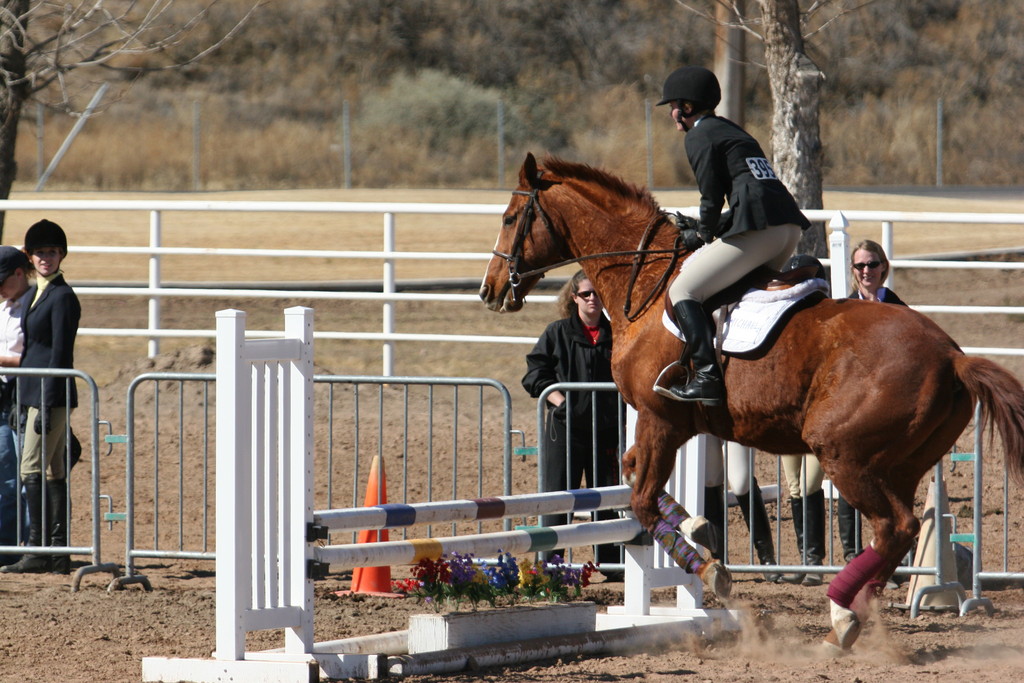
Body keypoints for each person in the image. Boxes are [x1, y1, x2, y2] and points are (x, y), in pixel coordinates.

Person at [653, 65, 810, 405]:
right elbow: (747, 194)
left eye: (673, 106)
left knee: (683, 289)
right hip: (787, 229)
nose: (671, 113)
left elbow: (710, 197)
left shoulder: (699, 135)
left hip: (762, 231)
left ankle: (707, 377)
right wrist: (712, 227)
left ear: (688, 107)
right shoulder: (732, 131)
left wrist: (703, 233)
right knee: (730, 297)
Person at [522, 270, 622, 579]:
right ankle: (549, 567)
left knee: (607, 499)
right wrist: (561, 403)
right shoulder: (557, 333)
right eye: (586, 293)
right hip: (565, 431)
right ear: (574, 297)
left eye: (597, 293)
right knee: (557, 498)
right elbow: (535, 375)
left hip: (606, 431)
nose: (593, 298)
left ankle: (612, 565)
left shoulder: (618, 333)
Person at [1, 219, 81, 575]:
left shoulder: (62, 297)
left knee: (30, 468)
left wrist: (47, 403)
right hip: (32, 390)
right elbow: (32, 348)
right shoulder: (35, 295)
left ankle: (37, 548)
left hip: (50, 393)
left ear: (61, 254)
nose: (45, 258)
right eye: (39, 253)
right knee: (54, 470)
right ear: (30, 257)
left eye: (51, 252)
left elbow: (60, 355)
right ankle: (57, 550)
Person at [778, 254, 829, 585]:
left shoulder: (825, 321)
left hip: (816, 414)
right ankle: (805, 556)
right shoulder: (782, 320)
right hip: (788, 415)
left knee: (810, 484)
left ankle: (815, 559)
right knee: (794, 486)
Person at [704, 437, 781, 583]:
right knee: (709, 482)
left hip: (733, 419)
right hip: (703, 423)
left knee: (741, 483)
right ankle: (719, 560)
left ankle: (767, 559)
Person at [0, 247, 32, 566]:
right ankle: (6, 547)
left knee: (27, 477)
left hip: (24, 395)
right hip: (4, 396)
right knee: (6, 478)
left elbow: (36, 356)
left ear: (19, 274)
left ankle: (33, 547)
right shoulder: (4, 309)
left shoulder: (32, 307)